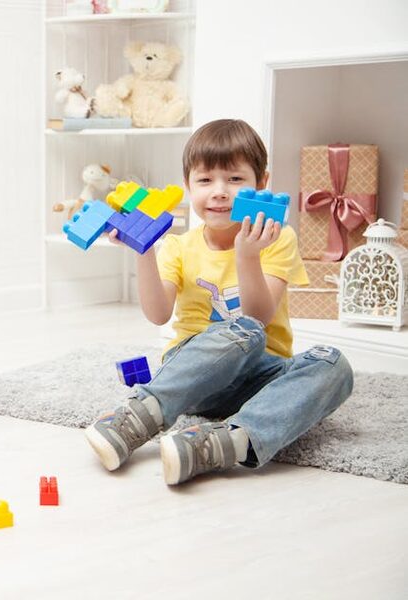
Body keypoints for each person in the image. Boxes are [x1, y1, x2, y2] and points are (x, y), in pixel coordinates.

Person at [84, 119, 353, 485]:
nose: (220, 192)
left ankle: (225, 442)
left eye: (235, 179)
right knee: (243, 333)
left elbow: (260, 316)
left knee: (333, 365)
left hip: (259, 379)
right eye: (205, 180)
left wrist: (247, 255)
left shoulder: (277, 238)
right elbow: (158, 313)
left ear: (262, 183)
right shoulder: (179, 245)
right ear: (188, 187)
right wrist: (143, 252)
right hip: (193, 377)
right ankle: (141, 414)